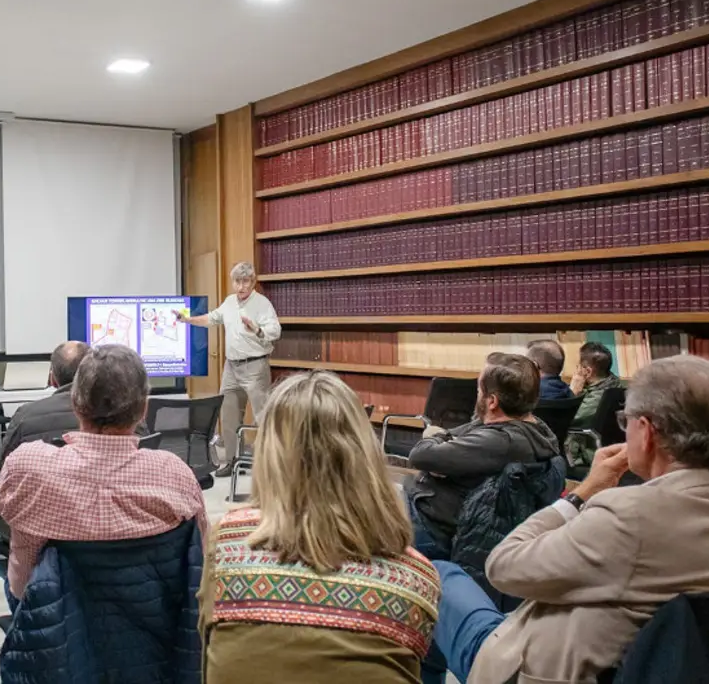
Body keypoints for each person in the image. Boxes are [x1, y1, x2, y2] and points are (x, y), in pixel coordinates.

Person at [423, 355, 709, 684]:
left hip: (534, 669)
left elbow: (503, 566)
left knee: (438, 575)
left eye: (627, 421)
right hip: (644, 659)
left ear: (647, 432)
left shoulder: (628, 515)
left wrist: (582, 493)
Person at [200, 370, 441, 683]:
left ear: (270, 456)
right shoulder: (418, 578)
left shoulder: (227, 542)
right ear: (364, 452)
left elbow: (208, 648)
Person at [0, 344, 208, 601]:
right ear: (143, 411)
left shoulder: (26, 467)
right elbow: (202, 563)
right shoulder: (176, 476)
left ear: (75, 404)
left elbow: (20, 588)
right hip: (154, 628)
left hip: (53, 625)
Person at [405, 353, 559, 560]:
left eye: (479, 390)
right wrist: (446, 444)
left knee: (362, 507)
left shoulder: (499, 441)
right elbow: (461, 432)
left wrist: (438, 440)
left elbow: (420, 454)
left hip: (433, 528)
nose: (477, 394)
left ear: (492, 401)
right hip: (445, 512)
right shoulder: (535, 428)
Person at [0, 341, 92, 580]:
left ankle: (33, 587)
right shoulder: (123, 418)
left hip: (37, 526)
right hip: (101, 530)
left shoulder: (27, 416)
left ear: (53, 378)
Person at [175, 261, 281, 476]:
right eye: (237, 281)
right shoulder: (229, 302)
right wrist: (187, 320)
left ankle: (270, 465)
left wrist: (257, 329)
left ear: (253, 282)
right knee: (229, 415)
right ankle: (233, 461)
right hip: (231, 367)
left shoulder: (262, 304)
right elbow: (212, 318)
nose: (241, 286)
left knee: (263, 416)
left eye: (245, 281)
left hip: (255, 366)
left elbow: (275, 331)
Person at [565, 341, 624, 467]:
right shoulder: (615, 386)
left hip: (586, 455)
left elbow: (566, 420)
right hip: (607, 451)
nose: (577, 370)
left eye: (578, 366)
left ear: (587, 371)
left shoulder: (596, 398)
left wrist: (572, 393)